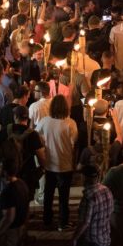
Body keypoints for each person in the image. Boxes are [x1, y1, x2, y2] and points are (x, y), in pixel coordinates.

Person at [36, 94, 78, 232]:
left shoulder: (44, 121)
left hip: (49, 163)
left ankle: (47, 219)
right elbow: (74, 142)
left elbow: (36, 135)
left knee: (48, 194)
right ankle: (62, 222)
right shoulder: (70, 123)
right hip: (65, 164)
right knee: (63, 196)